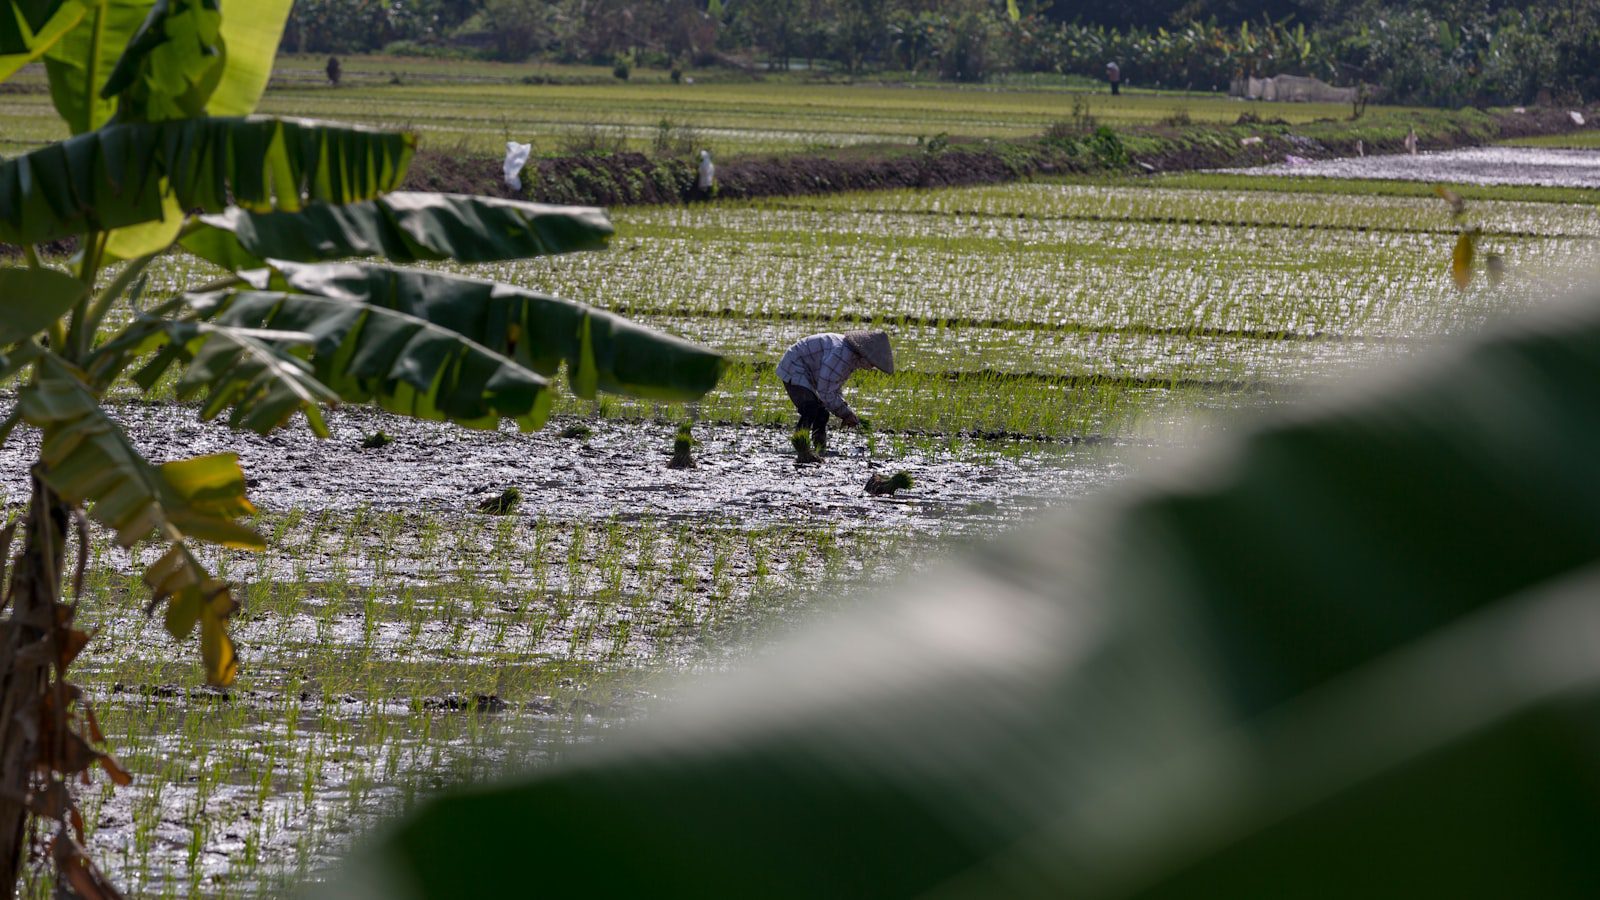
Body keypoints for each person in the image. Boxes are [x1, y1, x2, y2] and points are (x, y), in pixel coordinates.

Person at [777, 331, 894, 459]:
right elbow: (825, 391)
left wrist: (846, 411)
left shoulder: (851, 357)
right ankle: (801, 449)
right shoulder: (841, 355)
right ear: (864, 355)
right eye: (872, 362)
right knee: (810, 408)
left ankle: (819, 449)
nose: (872, 366)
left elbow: (833, 386)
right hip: (794, 365)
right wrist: (845, 413)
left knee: (822, 413)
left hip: (807, 370)